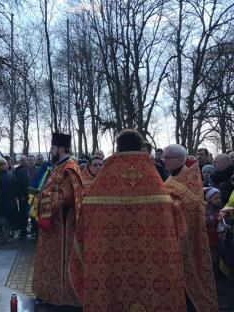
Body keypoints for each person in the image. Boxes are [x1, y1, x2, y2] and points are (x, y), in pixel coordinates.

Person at [69, 129, 187, 311]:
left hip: (109, 262)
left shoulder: (105, 180)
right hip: (151, 261)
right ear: (141, 147)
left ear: (117, 147)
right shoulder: (151, 176)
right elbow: (172, 215)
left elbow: (86, 216)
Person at [163, 144, 218, 311]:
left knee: (188, 277)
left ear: (180, 159)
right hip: (172, 234)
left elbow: (192, 203)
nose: (164, 161)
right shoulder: (172, 176)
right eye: (163, 158)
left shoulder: (191, 176)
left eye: (167, 158)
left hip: (188, 236)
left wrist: (168, 202)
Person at [32, 132, 83, 307]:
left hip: (62, 227)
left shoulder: (69, 168)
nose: (50, 151)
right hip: (51, 226)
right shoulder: (57, 168)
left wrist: (41, 199)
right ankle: (50, 293)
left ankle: (63, 298)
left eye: (53, 148)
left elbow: (64, 197)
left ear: (61, 149)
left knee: (61, 262)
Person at [0, 158, 18, 244]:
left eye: (4, 164)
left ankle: (7, 235)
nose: (3, 166)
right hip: (0, 201)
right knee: (0, 220)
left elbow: (15, 187)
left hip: (10, 201)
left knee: (8, 220)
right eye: (1, 164)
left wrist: (16, 197)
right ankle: (0, 236)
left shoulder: (11, 174)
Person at [14, 155, 30, 239]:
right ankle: (23, 230)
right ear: (20, 161)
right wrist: (20, 195)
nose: (23, 161)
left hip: (32, 196)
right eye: (21, 160)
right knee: (23, 214)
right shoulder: (17, 170)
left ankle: (32, 229)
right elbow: (17, 185)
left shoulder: (31, 169)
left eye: (24, 160)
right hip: (23, 197)